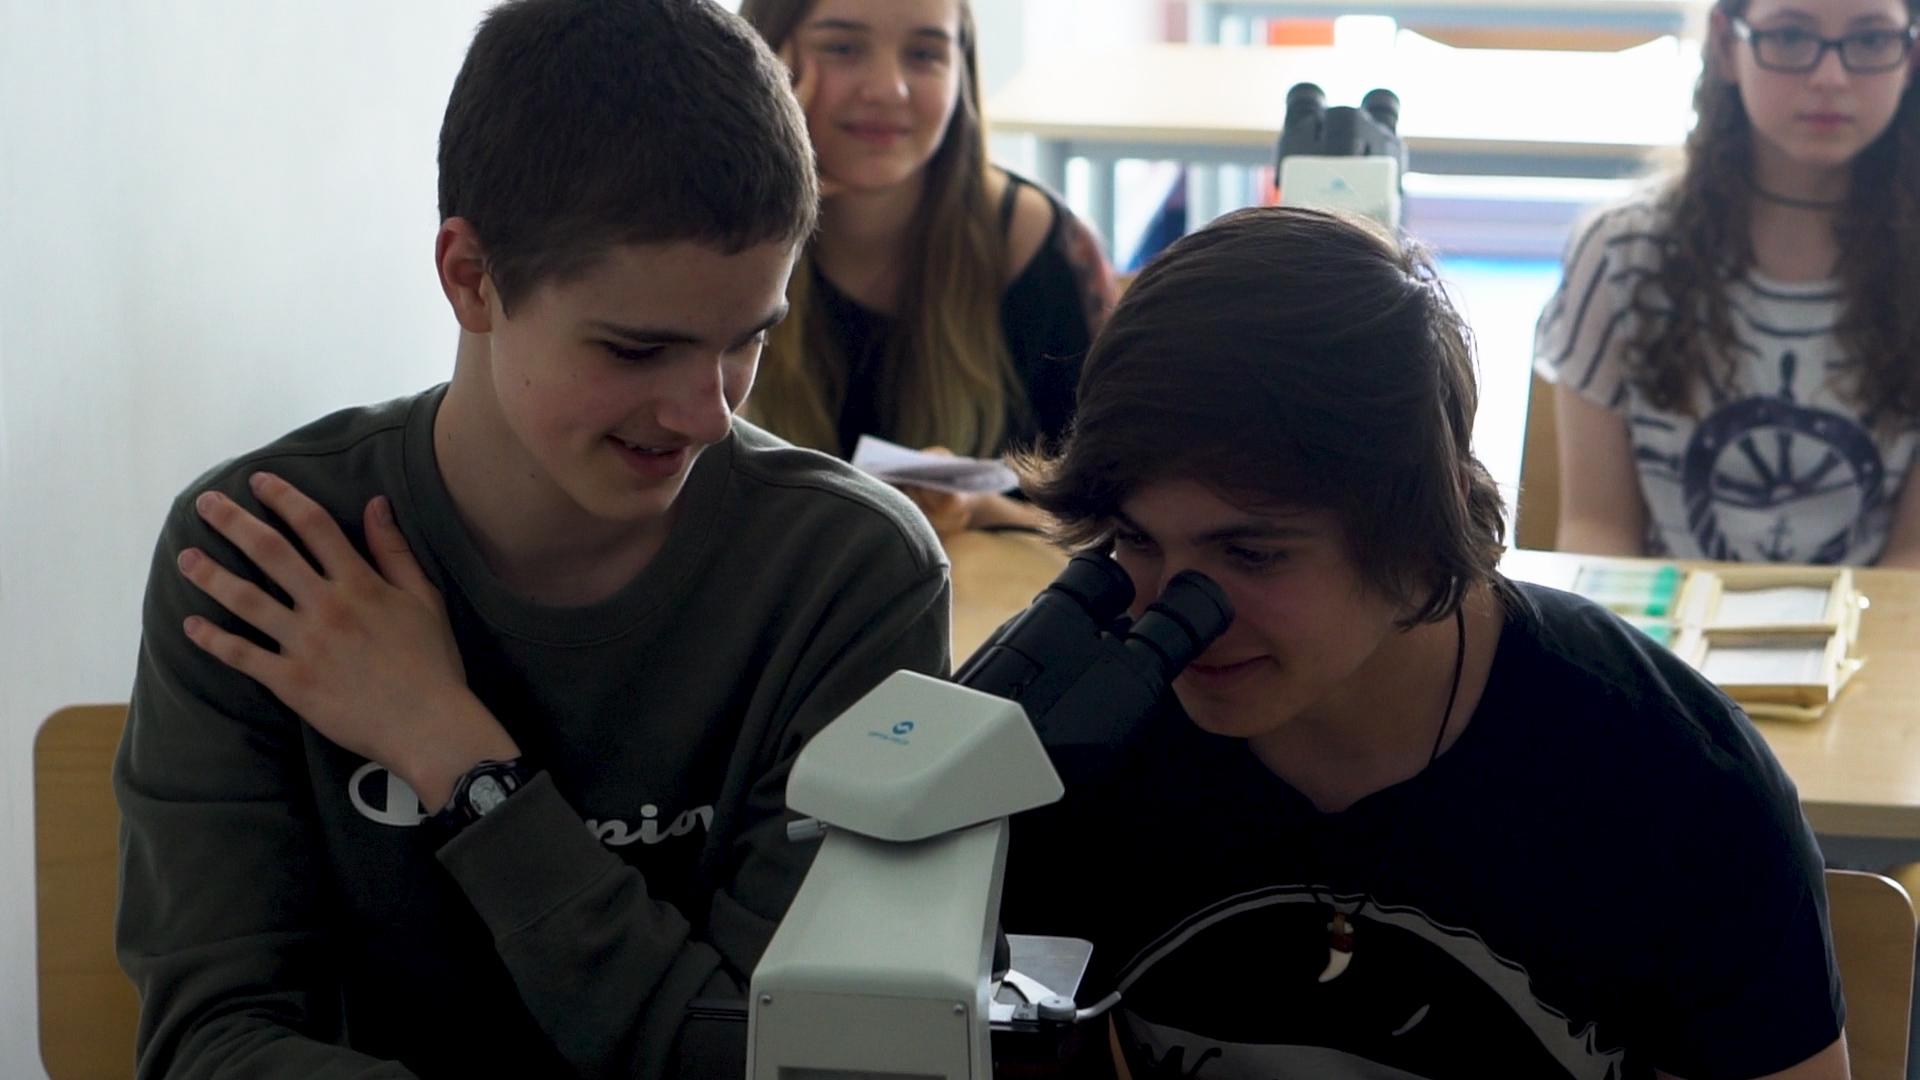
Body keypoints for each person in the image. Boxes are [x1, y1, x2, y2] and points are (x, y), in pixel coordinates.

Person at [113, 2, 949, 1077]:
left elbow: (766, 1060)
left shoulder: (851, 576)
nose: (706, 413)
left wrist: (456, 756)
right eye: (636, 350)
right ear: (470, 276)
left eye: (747, 340)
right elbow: (211, 1044)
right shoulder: (266, 551)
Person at [1002, 207, 1847, 1079]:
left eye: (1251, 553)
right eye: (1135, 541)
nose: (1178, 617)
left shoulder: (1670, 779)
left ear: (1418, 534)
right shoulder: (1059, 727)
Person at [1536, 0, 1920, 565]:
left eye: (1869, 40)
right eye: (1790, 35)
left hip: (1870, 621)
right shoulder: (1621, 252)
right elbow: (1597, 529)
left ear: (1911, 55)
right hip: (1657, 620)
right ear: (1725, 44)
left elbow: (1913, 560)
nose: (1830, 78)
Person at [738, 0, 1117, 536]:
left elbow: (1121, 521)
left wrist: (988, 513)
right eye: (843, 48)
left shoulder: (1041, 243)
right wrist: (758, 202)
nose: (888, 89)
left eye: (924, 54)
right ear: (764, 56)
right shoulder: (712, 237)